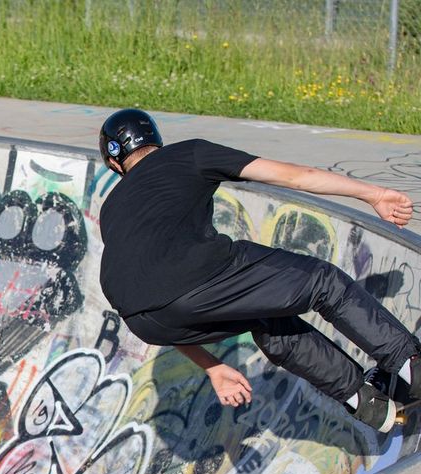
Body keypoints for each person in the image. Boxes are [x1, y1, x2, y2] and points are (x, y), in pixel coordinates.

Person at [98, 108, 420, 433]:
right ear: (158, 141)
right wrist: (374, 194)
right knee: (322, 282)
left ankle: (368, 404)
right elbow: (297, 176)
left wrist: (212, 367)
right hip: (193, 276)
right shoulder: (188, 154)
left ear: (114, 163)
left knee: (268, 317)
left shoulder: (111, 207)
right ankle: (411, 365)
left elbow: (155, 291)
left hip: (144, 321)